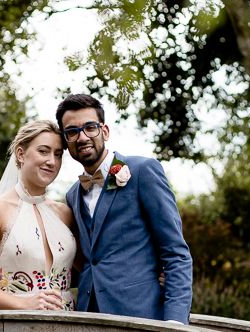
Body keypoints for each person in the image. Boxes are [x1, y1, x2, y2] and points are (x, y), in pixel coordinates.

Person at [57, 94, 193, 324]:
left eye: (90, 127)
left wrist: (175, 322)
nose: (82, 137)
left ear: (105, 131)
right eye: (72, 132)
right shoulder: (72, 195)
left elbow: (175, 252)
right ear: (66, 140)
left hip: (142, 316)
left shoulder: (143, 171)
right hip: (87, 317)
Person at [0, 119, 76, 311]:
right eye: (43, 151)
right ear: (21, 154)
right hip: (16, 322)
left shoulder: (65, 213)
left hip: (67, 321)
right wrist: (22, 303)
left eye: (58, 155)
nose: (52, 161)